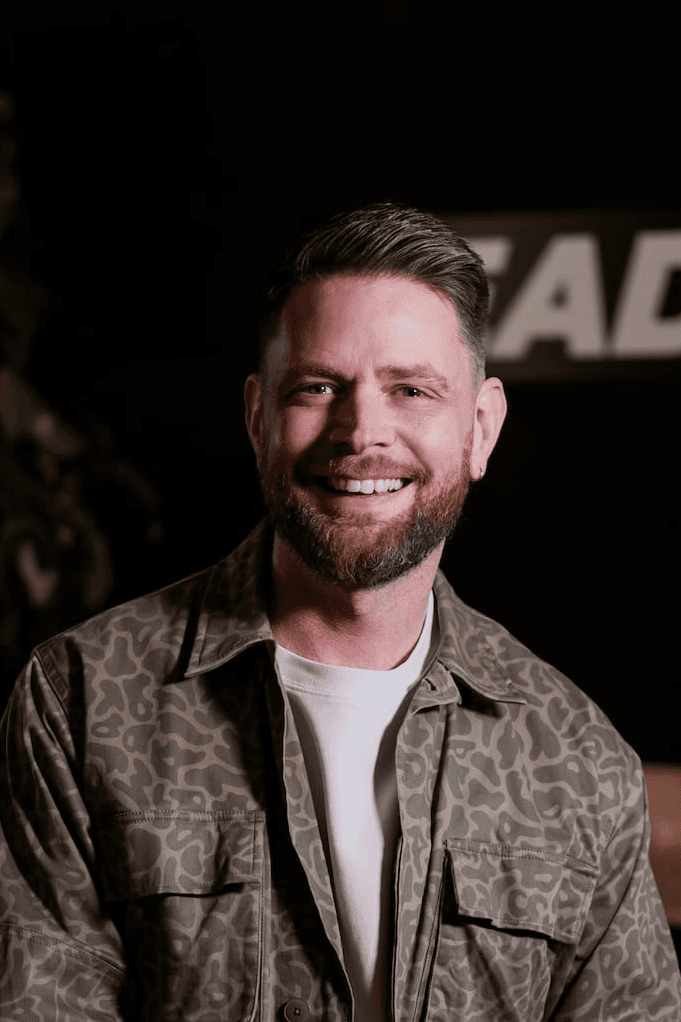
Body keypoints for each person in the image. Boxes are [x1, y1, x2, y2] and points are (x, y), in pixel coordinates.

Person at [0, 202, 679, 1022]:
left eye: (411, 389)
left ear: (480, 427)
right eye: (319, 386)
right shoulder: (81, 702)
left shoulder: (576, 758)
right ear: (257, 418)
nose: (363, 432)